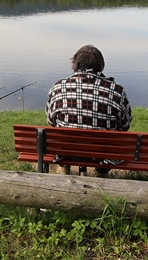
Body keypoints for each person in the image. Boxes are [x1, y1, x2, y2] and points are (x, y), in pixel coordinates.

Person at [46, 45, 132, 175]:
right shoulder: (116, 91)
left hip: (67, 150)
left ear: (74, 64)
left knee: (63, 137)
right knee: (109, 142)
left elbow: (51, 121)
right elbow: (125, 125)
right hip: (103, 153)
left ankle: (64, 167)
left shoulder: (58, 87)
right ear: (101, 66)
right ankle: (101, 172)